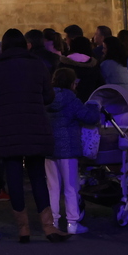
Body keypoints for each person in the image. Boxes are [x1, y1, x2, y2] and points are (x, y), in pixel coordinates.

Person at [0, 29, 63, 243]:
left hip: (7, 129)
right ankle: (48, 226)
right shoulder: (37, 64)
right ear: (24, 44)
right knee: (37, 175)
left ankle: (23, 228)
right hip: (35, 125)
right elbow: (48, 96)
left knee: (14, 176)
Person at [46, 67, 99, 238]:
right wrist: (96, 109)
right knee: (70, 187)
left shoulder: (46, 99)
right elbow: (90, 118)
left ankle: (53, 222)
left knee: (52, 187)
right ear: (71, 83)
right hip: (68, 148)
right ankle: (72, 223)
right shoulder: (72, 100)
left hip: (49, 147)